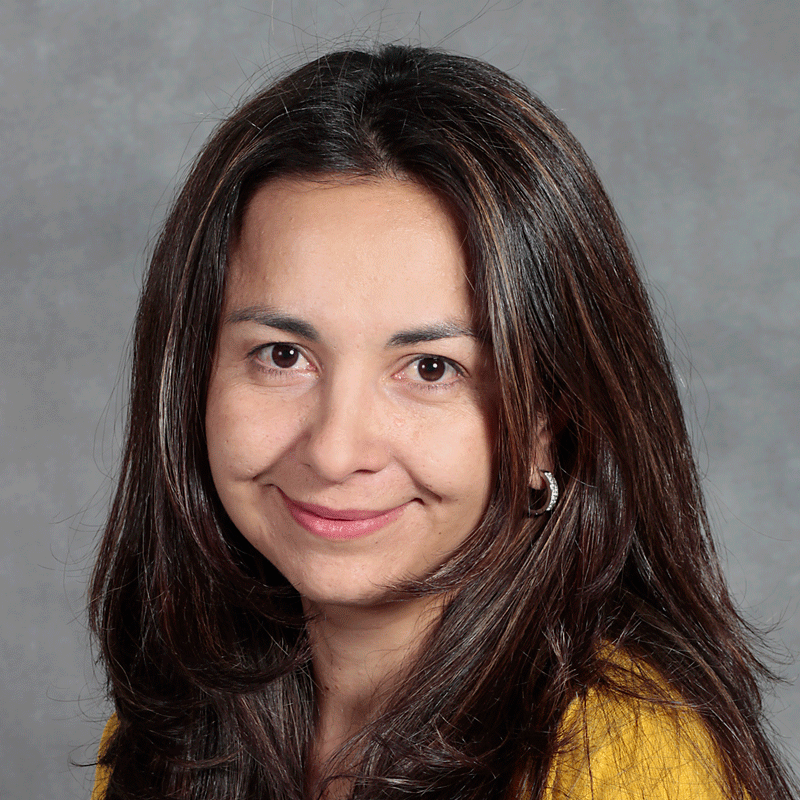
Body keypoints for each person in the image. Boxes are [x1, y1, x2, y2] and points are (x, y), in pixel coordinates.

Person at [89, 44, 796, 800]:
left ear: (547, 428)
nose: (334, 451)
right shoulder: (171, 727)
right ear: (191, 373)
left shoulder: (620, 764)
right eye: (283, 355)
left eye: (431, 368)